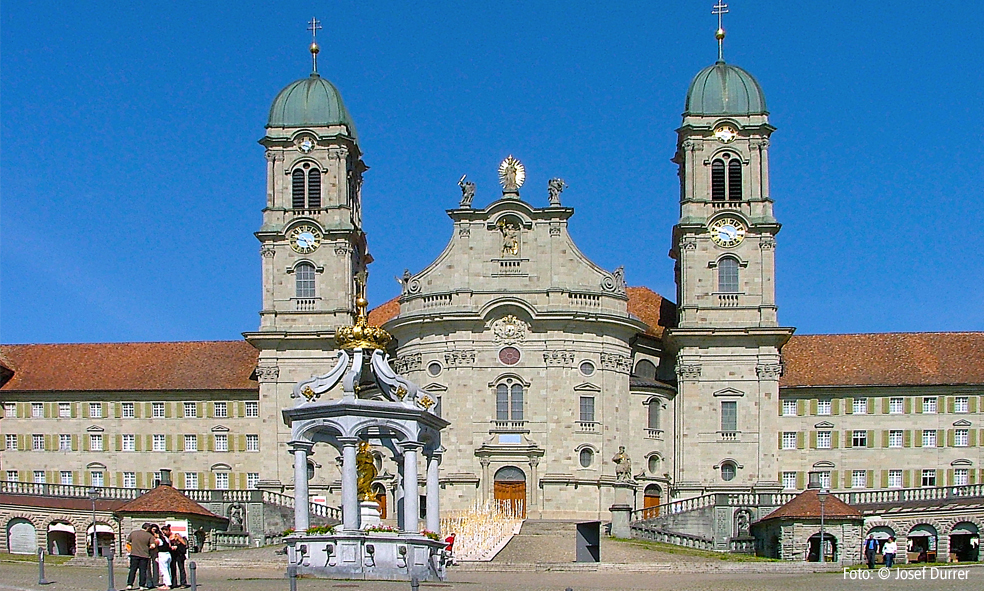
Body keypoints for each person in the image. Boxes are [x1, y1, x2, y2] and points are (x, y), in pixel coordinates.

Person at [124, 523, 156, 590]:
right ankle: (142, 585)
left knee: (132, 570)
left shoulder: (133, 533)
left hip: (134, 554)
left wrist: (132, 547)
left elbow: (128, 542)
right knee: (143, 571)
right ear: (147, 528)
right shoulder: (149, 536)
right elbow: (153, 546)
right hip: (144, 555)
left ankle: (129, 584)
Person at [155, 525, 173, 590]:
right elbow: (170, 546)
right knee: (167, 569)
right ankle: (167, 583)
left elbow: (154, 546)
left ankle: (167, 584)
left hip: (162, 555)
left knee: (164, 570)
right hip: (168, 554)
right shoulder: (166, 538)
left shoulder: (158, 540)